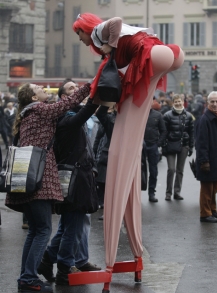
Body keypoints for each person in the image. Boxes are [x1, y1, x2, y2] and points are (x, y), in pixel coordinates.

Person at [72, 13, 184, 274]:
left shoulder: (102, 32)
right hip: (170, 54)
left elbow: (116, 21)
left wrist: (109, 43)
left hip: (154, 54)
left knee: (124, 149)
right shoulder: (111, 53)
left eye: (80, 35)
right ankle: (133, 254)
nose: (80, 40)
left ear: (87, 29)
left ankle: (112, 260)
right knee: (130, 144)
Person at [5, 81, 91, 293]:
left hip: (27, 179)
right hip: (39, 181)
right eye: (39, 89)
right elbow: (68, 103)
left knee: (35, 231)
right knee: (43, 230)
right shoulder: (40, 110)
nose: (43, 88)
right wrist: (90, 86)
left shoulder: (26, 114)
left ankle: (26, 277)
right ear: (34, 98)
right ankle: (28, 279)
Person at [38, 79, 101, 285]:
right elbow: (87, 112)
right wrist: (94, 94)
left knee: (68, 225)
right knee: (72, 227)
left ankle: (48, 259)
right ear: (65, 98)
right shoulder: (65, 118)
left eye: (77, 87)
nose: (76, 90)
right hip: (73, 178)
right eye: (72, 89)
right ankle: (65, 268)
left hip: (77, 175)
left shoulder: (69, 116)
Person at [196, 91, 217, 223]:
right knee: (207, 189)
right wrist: (204, 161)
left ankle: (213, 210)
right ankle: (205, 213)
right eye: (212, 101)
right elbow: (201, 142)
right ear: (208, 103)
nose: (215, 104)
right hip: (208, 159)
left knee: (214, 187)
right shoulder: (205, 119)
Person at [163, 94, 194, 201]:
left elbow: (192, 132)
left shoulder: (189, 116)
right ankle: (168, 193)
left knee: (180, 170)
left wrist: (191, 146)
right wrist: (163, 146)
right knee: (171, 169)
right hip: (170, 145)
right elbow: (164, 132)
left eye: (179, 101)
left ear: (183, 102)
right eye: (175, 101)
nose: (178, 103)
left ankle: (177, 192)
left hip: (184, 145)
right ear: (173, 103)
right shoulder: (167, 115)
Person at [144, 99, 167, 202]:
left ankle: (151, 193)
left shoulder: (157, 115)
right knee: (139, 171)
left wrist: (158, 143)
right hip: (141, 146)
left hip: (153, 146)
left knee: (153, 171)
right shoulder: (138, 114)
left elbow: (163, 131)